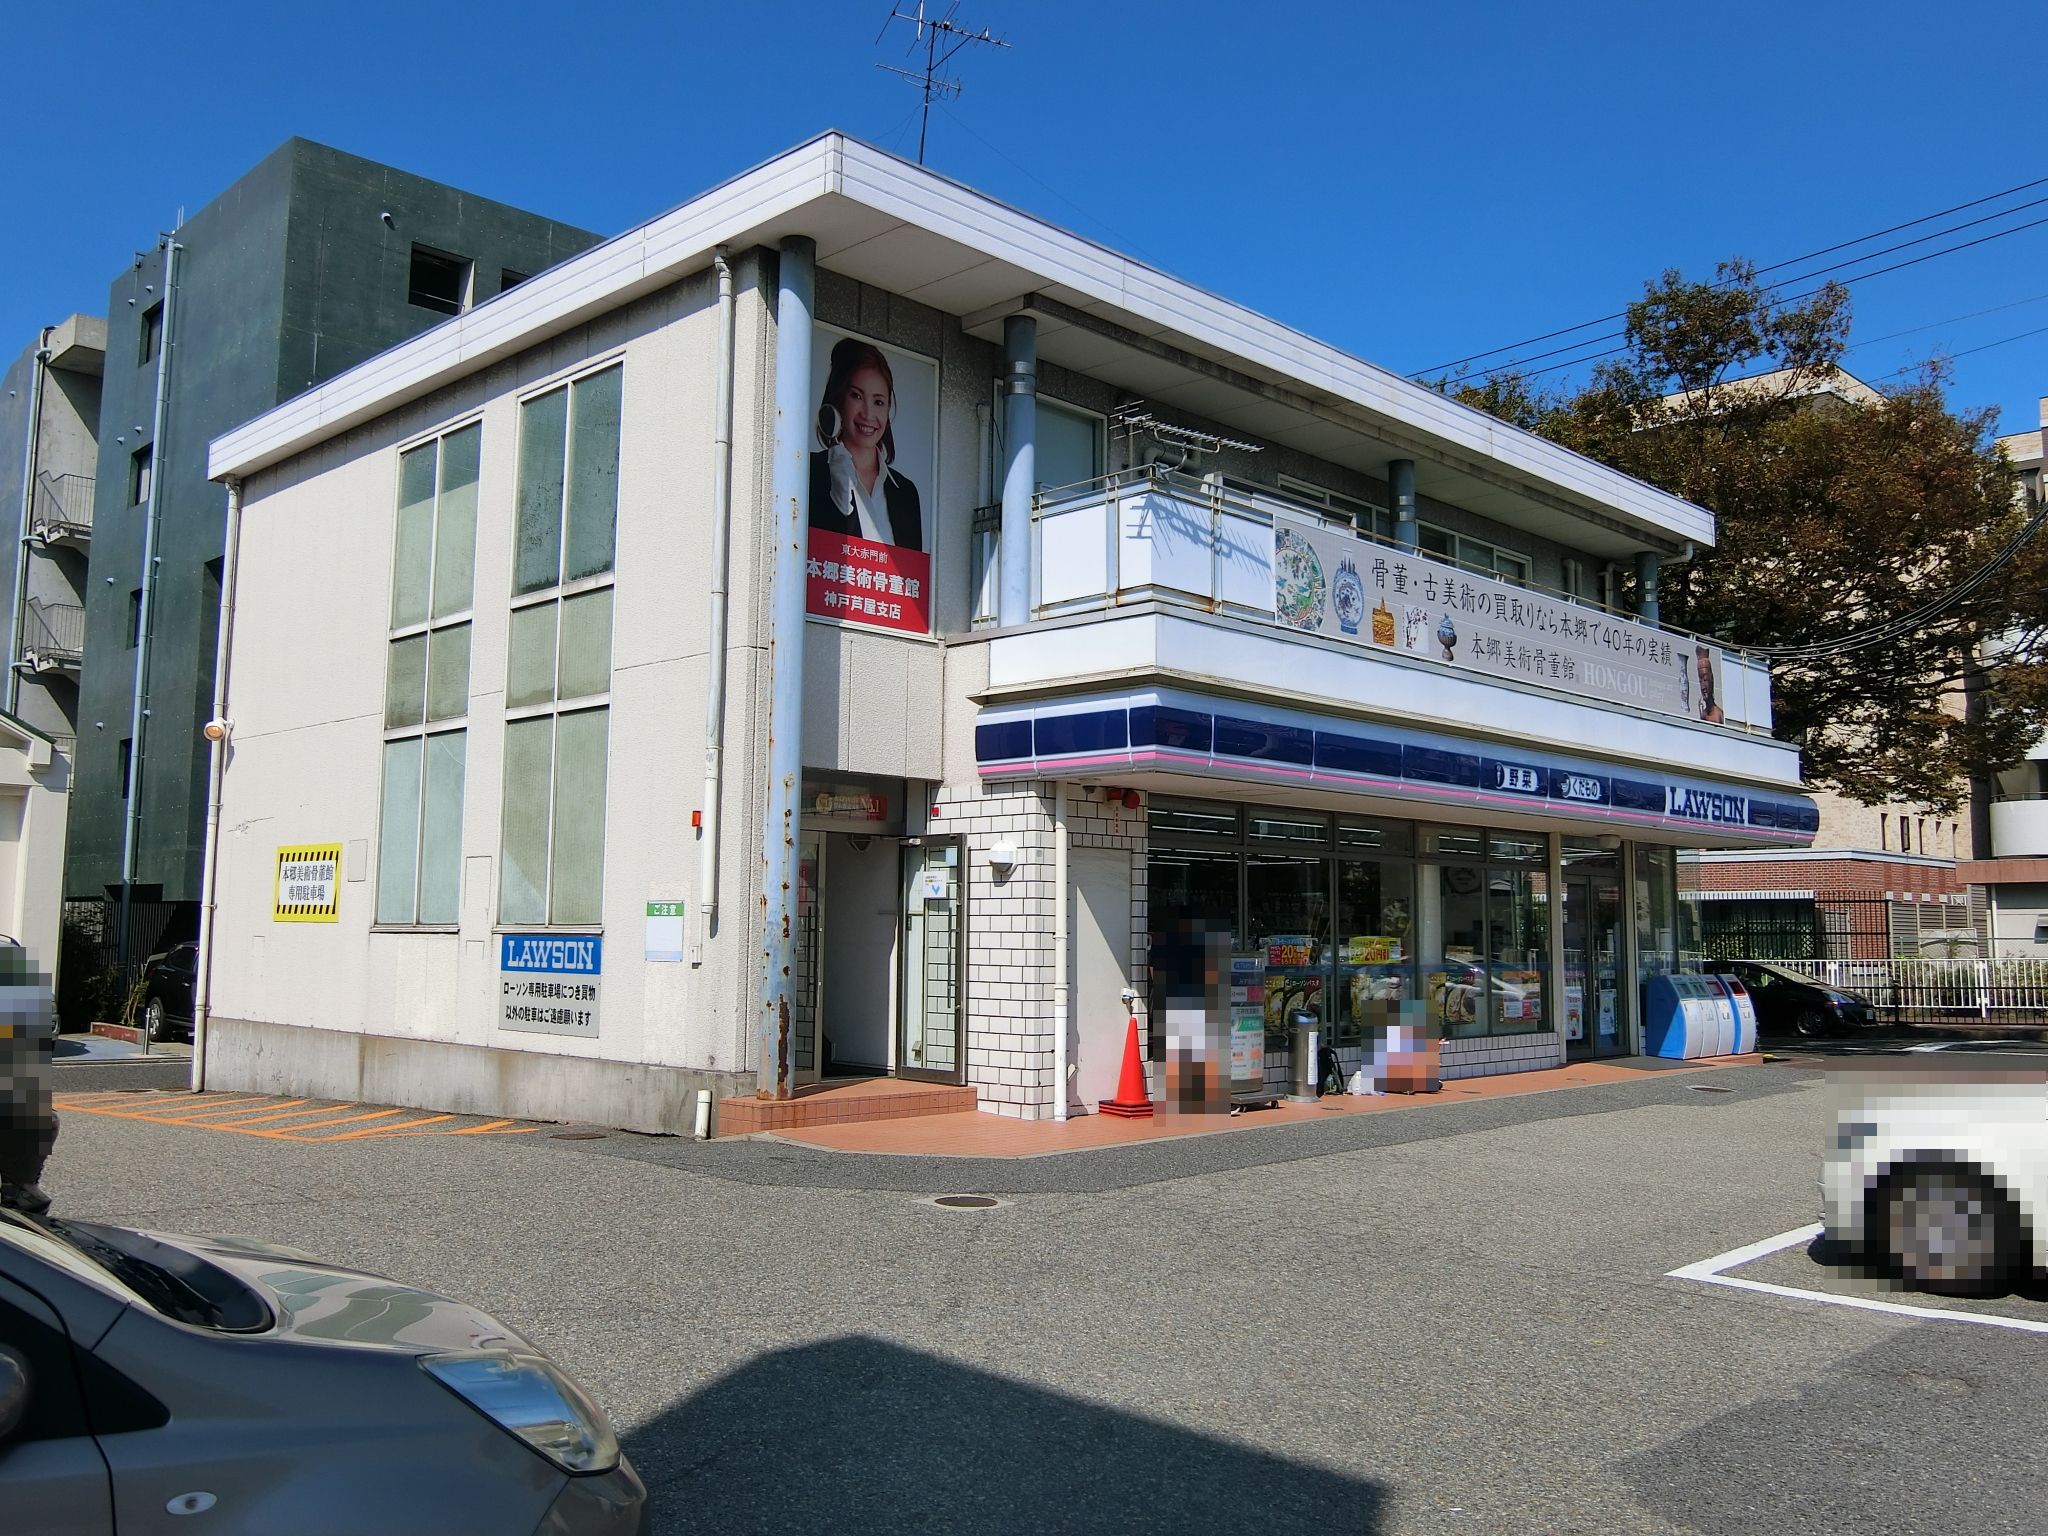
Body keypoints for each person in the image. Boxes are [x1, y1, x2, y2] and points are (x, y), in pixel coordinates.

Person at [809, 338, 923, 552]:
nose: (868, 414)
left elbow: (911, 570)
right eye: (856, 396)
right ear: (839, 398)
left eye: (878, 402)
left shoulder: (905, 493)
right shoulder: (810, 472)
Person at [1695, 644, 1724, 724]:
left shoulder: (1719, 715)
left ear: (1712, 679)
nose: (1703, 687)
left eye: (1705, 679)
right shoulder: (1703, 713)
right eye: (1700, 681)